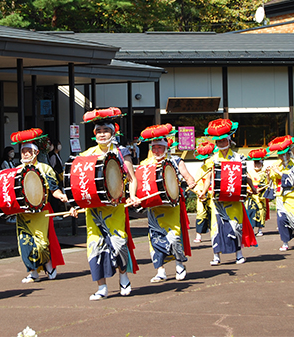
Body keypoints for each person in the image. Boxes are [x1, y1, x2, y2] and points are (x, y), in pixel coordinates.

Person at [69, 107, 140, 300]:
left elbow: (132, 179)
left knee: (118, 246)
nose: (102, 134)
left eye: (106, 131)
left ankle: (123, 277)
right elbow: (78, 182)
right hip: (93, 211)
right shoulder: (86, 155)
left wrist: (132, 196)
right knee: (95, 247)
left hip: (115, 208)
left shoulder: (121, 152)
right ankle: (102, 288)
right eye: (99, 131)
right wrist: (74, 205)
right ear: (94, 134)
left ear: (113, 132)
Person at [136, 124, 196, 283]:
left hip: (171, 206)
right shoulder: (145, 164)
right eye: (154, 148)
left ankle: (179, 264)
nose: (156, 151)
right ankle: (160, 270)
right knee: (155, 237)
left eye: (160, 147)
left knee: (173, 236)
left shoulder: (175, 160)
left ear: (166, 148)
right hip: (154, 207)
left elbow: (188, 176)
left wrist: (190, 182)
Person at [8, 129, 68, 283]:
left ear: (35, 152)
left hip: (42, 211)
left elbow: (54, 188)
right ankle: (33, 272)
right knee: (25, 243)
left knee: (41, 243)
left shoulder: (45, 168)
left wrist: (61, 195)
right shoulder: (16, 171)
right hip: (24, 212)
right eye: (23, 151)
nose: (25, 154)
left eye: (29, 151)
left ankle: (49, 265)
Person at [198, 119, 257, 266]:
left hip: (234, 198)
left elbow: (245, 175)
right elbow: (208, 178)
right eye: (218, 142)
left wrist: (253, 188)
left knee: (235, 226)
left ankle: (238, 253)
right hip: (218, 199)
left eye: (224, 140)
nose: (221, 144)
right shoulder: (212, 159)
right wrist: (204, 192)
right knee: (216, 227)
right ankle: (216, 256)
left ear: (229, 140)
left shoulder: (238, 157)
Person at [266, 136, 294, 251]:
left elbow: (292, 180)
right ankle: (285, 242)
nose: (282, 157)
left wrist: (279, 173)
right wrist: (268, 173)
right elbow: (271, 179)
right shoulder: (277, 164)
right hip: (280, 195)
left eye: (284, 154)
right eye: (280, 155)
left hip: (292, 195)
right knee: (281, 220)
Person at [192, 141, 215, 243]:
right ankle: (198, 235)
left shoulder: (215, 167)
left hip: (213, 194)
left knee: (214, 215)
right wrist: (200, 192)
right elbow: (197, 183)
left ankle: (214, 234)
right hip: (202, 195)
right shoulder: (201, 169)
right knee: (201, 214)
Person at [246, 148, 269, 237]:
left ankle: (260, 229)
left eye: (258, 163)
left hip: (260, 195)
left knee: (261, 211)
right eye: (255, 163)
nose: (257, 165)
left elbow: (266, 184)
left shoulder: (264, 173)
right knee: (250, 211)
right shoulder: (249, 172)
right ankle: (251, 228)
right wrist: (249, 190)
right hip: (251, 195)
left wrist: (260, 189)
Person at [47, 139, 65, 213]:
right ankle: (55, 211)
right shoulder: (53, 155)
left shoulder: (57, 155)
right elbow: (53, 167)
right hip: (55, 177)